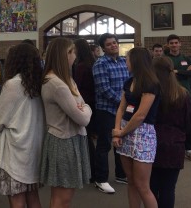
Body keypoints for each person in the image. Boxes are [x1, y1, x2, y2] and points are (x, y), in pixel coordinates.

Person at [41, 38, 92, 208]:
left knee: (64, 197)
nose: (75, 56)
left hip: (70, 139)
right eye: (72, 52)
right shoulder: (57, 84)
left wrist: (83, 107)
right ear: (65, 55)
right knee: (62, 198)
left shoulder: (67, 80)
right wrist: (86, 108)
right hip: (64, 141)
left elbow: (82, 107)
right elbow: (83, 118)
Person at [0, 43, 44, 208]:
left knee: (16, 198)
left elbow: (0, 121)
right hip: (35, 144)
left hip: (16, 147)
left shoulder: (13, 84)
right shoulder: (41, 83)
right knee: (32, 195)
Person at [112, 47, 160, 208]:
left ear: (136, 61)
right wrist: (117, 132)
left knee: (142, 186)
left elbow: (140, 115)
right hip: (125, 132)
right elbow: (121, 108)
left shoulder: (150, 83)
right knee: (131, 182)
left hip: (143, 134)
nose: (125, 62)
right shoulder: (129, 81)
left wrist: (121, 132)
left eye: (127, 59)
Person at [150, 56, 191, 208]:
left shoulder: (150, 93)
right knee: (169, 188)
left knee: (152, 186)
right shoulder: (183, 94)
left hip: (153, 142)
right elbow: (187, 122)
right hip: (175, 144)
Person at [92, 33, 129, 194]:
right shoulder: (100, 64)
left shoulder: (123, 61)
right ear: (103, 48)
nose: (113, 45)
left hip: (122, 110)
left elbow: (129, 83)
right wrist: (123, 103)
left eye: (115, 43)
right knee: (104, 145)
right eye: (109, 44)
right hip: (107, 110)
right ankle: (100, 179)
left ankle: (121, 175)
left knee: (121, 144)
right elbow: (104, 89)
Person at [165, 34, 191, 163]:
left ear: (180, 44)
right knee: (171, 122)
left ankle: (188, 149)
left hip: (187, 95)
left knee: (188, 123)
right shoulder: (165, 59)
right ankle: (173, 148)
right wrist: (185, 71)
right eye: (171, 43)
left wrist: (177, 71)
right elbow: (166, 74)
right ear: (168, 45)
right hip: (171, 96)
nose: (174, 45)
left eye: (176, 43)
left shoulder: (186, 58)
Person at [73, 38, 97, 182]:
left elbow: (77, 87)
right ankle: (92, 170)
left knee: (86, 139)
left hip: (84, 103)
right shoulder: (91, 63)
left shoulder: (82, 66)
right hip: (91, 103)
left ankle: (92, 172)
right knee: (88, 138)